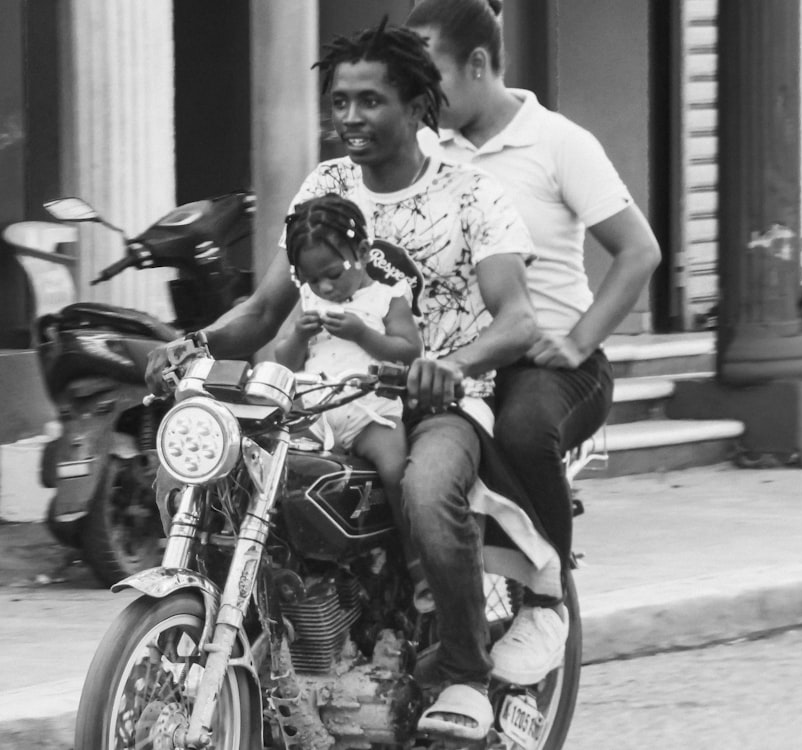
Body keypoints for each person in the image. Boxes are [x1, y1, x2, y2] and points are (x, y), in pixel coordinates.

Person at [147, 19, 537, 743]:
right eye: (339, 101)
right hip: (327, 394)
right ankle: (282, 645)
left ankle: (464, 670)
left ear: (418, 105)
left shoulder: (471, 195)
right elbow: (266, 308)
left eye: (369, 101)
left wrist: (447, 366)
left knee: (423, 487)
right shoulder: (323, 186)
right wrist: (192, 343)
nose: (349, 117)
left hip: (436, 399)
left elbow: (518, 320)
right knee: (229, 470)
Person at [407, 0, 661, 686]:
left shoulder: (559, 143)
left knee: (522, 430)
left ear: (480, 64)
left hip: (549, 368)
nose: (416, 96)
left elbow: (638, 251)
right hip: (458, 362)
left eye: (428, 78)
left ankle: (549, 601)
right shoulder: (425, 147)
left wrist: (579, 341)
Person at [274, 193, 421, 513]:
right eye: (311, 279)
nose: (324, 288)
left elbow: (410, 351)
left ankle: (414, 556)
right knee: (279, 472)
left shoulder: (387, 297)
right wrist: (300, 334)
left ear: (363, 253)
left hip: (373, 415)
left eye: (333, 274)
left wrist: (362, 334)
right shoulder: (310, 301)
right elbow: (284, 361)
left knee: (397, 474)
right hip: (315, 415)